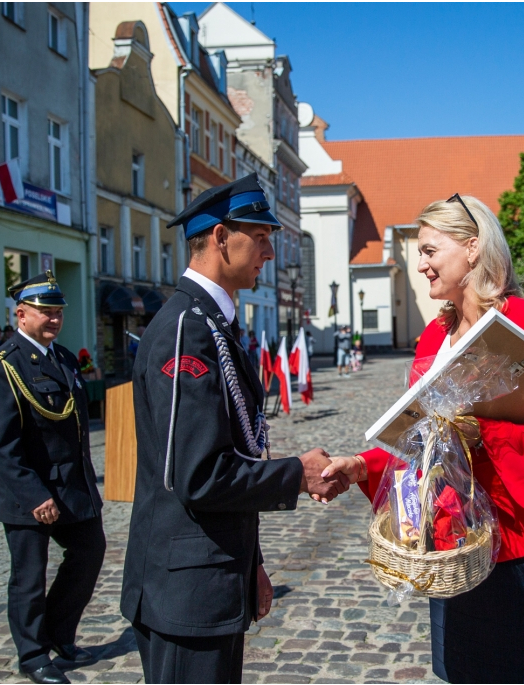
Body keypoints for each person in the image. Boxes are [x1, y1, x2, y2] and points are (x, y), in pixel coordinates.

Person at [325, 194, 524, 684]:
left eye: (429, 251)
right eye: (419, 253)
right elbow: (420, 441)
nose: (421, 265)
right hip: (450, 542)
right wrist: (364, 465)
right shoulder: (432, 337)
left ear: (473, 248)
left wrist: (484, 430)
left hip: (519, 542)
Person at [122, 174, 347, 684]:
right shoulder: (187, 330)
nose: (270, 251)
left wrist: (252, 564)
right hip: (185, 591)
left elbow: (239, 448)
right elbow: (199, 475)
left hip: (213, 577)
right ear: (222, 238)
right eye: (262, 237)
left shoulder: (211, 325)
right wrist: (298, 474)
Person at [0, 271, 106, 685]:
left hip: (71, 487)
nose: (53, 319)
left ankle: (59, 635)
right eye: (45, 312)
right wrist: (34, 494)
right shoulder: (2, 367)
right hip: (28, 492)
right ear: (21, 314)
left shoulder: (63, 358)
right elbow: (0, 444)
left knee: (89, 555)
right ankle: (32, 655)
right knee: (29, 577)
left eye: (57, 312)